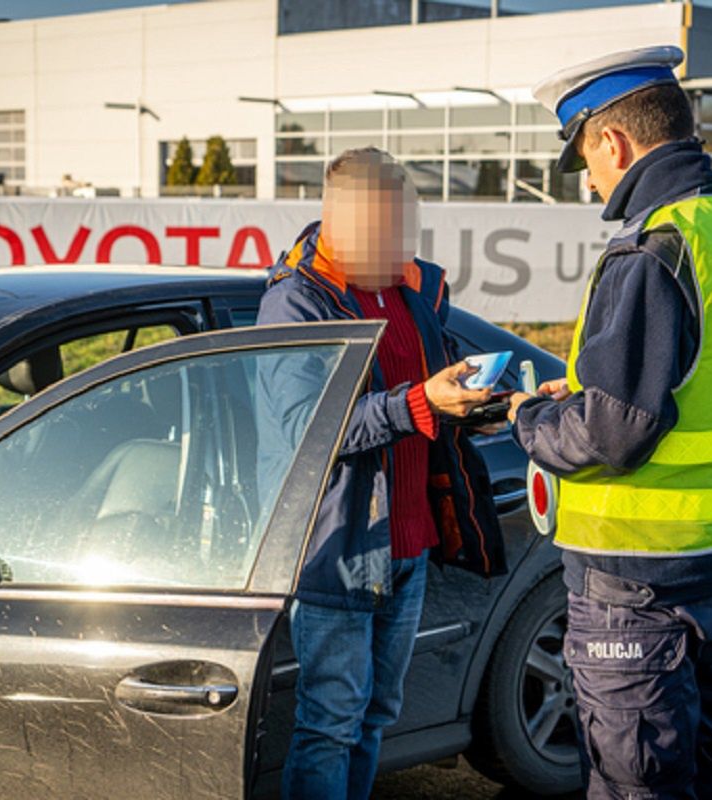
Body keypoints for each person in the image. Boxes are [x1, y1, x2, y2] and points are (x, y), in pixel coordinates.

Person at [507, 46, 712, 800]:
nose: (589, 179)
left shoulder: (650, 251)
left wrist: (533, 417)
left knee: (636, 782)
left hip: (637, 581)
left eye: (584, 157)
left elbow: (612, 436)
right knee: (693, 767)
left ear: (614, 142)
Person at [257, 147, 506, 800]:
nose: (398, 235)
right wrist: (424, 403)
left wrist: (472, 411)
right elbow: (310, 428)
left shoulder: (409, 288)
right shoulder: (297, 302)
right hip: (339, 548)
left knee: (373, 717)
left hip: (408, 545)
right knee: (330, 725)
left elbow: (428, 388)